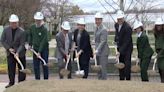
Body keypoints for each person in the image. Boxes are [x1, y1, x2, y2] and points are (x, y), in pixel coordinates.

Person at [1, 14, 26, 88]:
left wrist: (17, 52)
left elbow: (22, 44)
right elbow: (2, 40)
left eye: (15, 22)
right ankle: (11, 83)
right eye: (12, 23)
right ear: (10, 23)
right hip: (10, 53)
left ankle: (21, 83)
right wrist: (8, 48)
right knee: (11, 68)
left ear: (17, 22)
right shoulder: (6, 30)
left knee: (21, 69)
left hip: (20, 53)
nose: (14, 24)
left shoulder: (22, 31)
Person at [28, 12, 49, 80]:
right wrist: (30, 44)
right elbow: (30, 36)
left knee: (44, 64)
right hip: (35, 49)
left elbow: (43, 41)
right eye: (37, 20)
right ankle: (37, 80)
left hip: (44, 49)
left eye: (39, 20)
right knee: (36, 66)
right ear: (35, 20)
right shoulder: (32, 27)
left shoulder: (44, 29)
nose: (38, 21)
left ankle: (46, 80)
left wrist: (39, 52)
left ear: (41, 20)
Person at [114, 10, 133, 80]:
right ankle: (121, 78)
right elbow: (117, 34)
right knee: (120, 64)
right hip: (120, 47)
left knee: (127, 65)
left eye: (120, 19)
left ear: (123, 18)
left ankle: (128, 79)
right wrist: (115, 40)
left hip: (127, 49)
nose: (119, 20)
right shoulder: (116, 25)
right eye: (118, 19)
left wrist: (120, 51)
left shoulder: (128, 28)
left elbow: (126, 42)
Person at [94, 12, 109, 80]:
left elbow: (103, 41)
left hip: (103, 52)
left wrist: (97, 49)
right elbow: (97, 40)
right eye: (96, 19)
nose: (97, 21)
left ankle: (104, 83)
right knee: (99, 70)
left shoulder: (104, 29)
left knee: (103, 69)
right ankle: (99, 83)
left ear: (101, 20)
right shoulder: (96, 28)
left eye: (98, 19)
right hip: (98, 52)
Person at [153, 18, 164, 83]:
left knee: (163, 71)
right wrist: (157, 52)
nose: (158, 27)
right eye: (157, 25)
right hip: (159, 55)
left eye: (159, 25)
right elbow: (156, 43)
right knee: (160, 70)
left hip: (162, 54)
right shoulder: (156, 34)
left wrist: (160, 54)